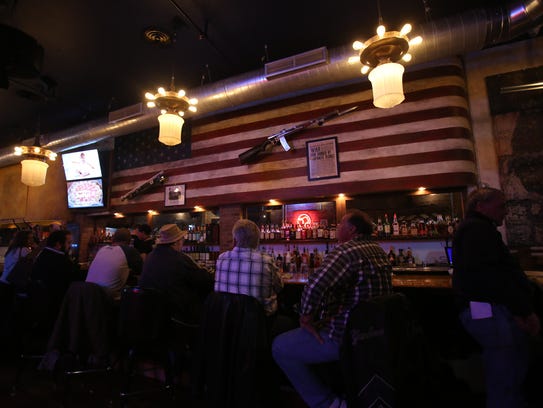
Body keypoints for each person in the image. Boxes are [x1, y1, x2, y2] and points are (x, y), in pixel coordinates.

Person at [272, 209, 393, 408]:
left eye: (340, 225)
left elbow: (315, 284)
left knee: (280, 346)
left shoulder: (345, 252)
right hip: (373, 334)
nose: (337, 229)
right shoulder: (377, 250)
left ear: (352, 229)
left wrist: (305, 318)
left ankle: (327, 403)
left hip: (345, 336)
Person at [452, 187, 541, 408]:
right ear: (481, 206)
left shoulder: (476, 229)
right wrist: (521, 310)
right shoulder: (478, 231)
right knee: (506, 374)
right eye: (501, 206)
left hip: (483, 307)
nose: (505, 211)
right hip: (488, 308)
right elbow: (492, 278)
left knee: (506, 371)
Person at [139, 224, 213, 325]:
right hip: (176, 314)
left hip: (150, 313)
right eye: (181, 239)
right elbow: (204, 281)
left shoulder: (151, 256)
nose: (183, 242)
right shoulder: (179, 259)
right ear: (175, 243)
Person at [215, 219, 283, 317]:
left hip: (227, 320)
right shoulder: (266, 261)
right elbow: (279, 287)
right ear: (257, 242)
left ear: (234, 241)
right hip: (260, 322)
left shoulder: (221, 259)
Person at [31, 230, 76, 329]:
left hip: (38, 304)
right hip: (55, 308)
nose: (71, 246)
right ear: (58, 244)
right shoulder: (62, 260)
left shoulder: (42, 253)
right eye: (69, 243)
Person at [85, 228, 142, 301]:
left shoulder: (102, 249)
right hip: (107, 300)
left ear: (113, 238)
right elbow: (141, 271)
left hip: (86, 295)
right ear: (129, 240)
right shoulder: (129, 250)